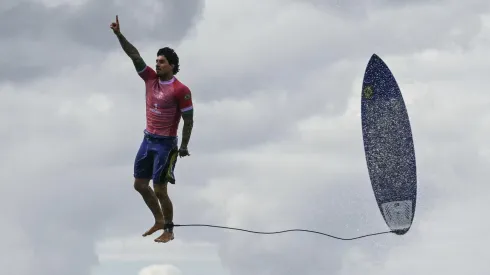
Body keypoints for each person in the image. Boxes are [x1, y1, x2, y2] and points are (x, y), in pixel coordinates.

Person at [110, 15, 194, 243]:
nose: (157, 64)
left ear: (173, 66)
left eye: (162, 62)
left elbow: (189, 119)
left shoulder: (180, 89)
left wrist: (184, 146)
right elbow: (134, 54)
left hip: (166, 145)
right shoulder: (149, 78)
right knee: (139, 184)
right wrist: (119, 35)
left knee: (160, 190)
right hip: (148, 139)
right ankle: (158, 219)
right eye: (156, 61)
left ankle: (169, 229)